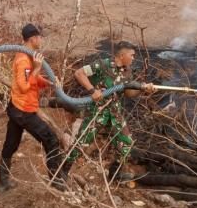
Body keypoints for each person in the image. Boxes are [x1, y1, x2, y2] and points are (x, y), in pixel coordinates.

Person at [62, 41, 155, 181]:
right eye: (132, 55)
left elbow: (129, 93)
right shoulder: (102, 64)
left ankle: (115, 172)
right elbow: (79, 73)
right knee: (81, 143)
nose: (133, 58)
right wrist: (92, 91)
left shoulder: (127, 71)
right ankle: (61, 173)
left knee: (126, 142)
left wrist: (144, 90)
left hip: (114, 113)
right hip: (97, 112)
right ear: (122, 55)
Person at [0, 24, 65, 192]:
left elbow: (33, 79)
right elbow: (23, 86)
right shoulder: (23, 60)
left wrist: (51, 83)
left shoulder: (28, 56)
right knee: (51, 140)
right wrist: (36, 68)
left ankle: (3, 182)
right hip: (23, 111)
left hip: (17, 109)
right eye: (40, 37)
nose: (41, 40)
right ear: (33, 38)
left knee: (11, 145)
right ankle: (57, 181)